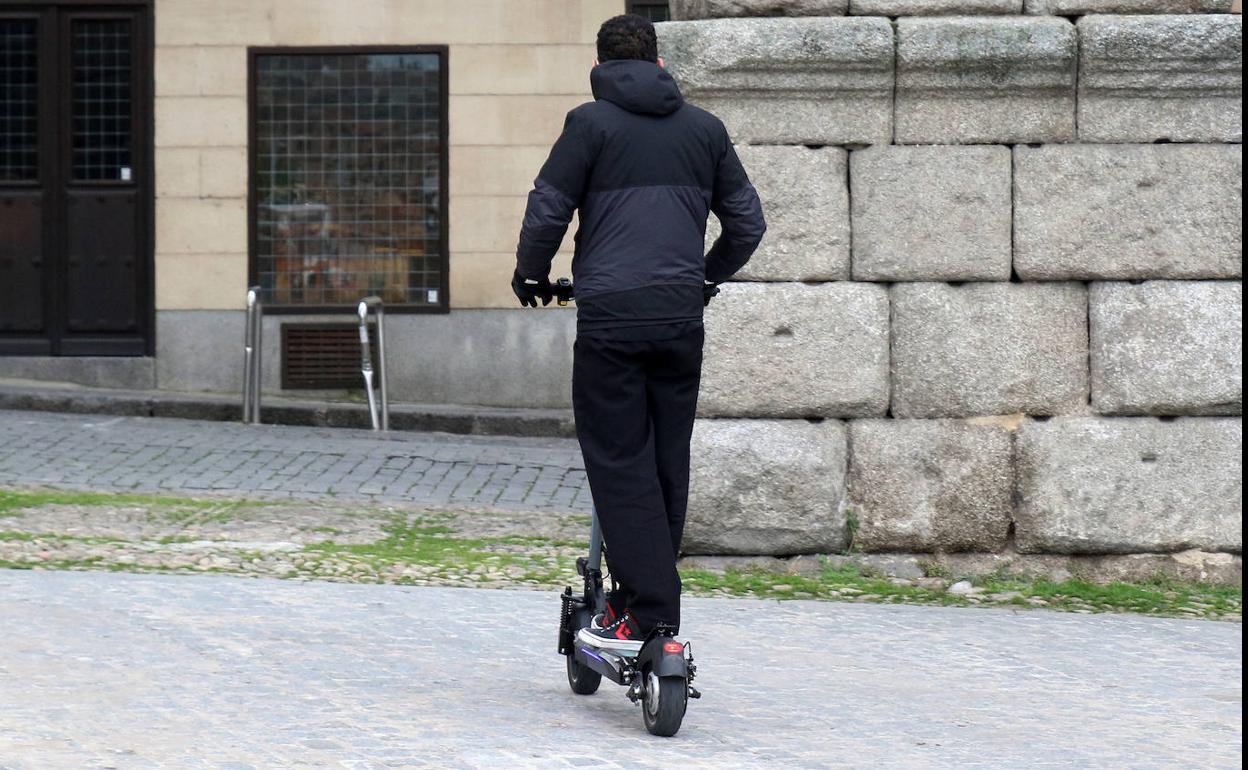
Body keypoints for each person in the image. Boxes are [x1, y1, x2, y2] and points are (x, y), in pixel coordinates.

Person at [512, 14, 765, 654]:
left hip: (613, 320)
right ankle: (636, 602)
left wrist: (532, 275)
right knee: (665, 460)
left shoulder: (589, 124)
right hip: (680, 319)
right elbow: (748, 224)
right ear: (659, 63)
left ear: (599, 67)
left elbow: (548, 208)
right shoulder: (705, 129)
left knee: (620, 461)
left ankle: (649, 613)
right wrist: (702, 278)